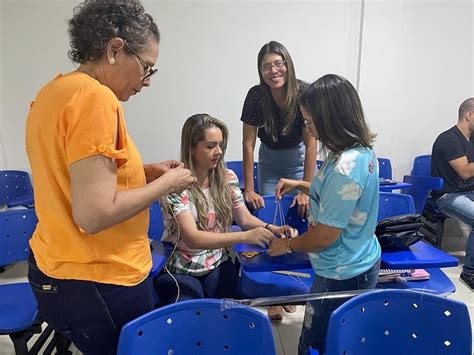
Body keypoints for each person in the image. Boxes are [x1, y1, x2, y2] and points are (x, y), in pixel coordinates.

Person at [25, 1, 195, 354]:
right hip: (96, 278)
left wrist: (145, 171)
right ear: (115, 49)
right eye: (146, 67)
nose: (146, 82)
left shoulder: (53, 92)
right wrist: (165, 185)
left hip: (58, 267)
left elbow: (71, 175)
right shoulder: (96, 99)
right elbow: (94, 214)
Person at [268, 74, 381, 354]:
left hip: (343, 271)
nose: (309, 129)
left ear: (331, 118)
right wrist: (300, 184)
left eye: (310, 122)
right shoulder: (357, 152)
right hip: (353, 260)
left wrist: (288, 245)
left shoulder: (346, 167)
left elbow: (325, 235)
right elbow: (338, 196)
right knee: (340, 337)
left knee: (315, 343)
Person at [154, 114, 296, 306]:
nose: (219, 151)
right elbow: (193, 239)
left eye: (221, 145)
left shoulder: (227, 177)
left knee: (226, 307)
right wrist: (244, 237)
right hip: (180, 268)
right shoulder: (174, 184)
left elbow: (244, 219)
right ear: (192, 148)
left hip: (217, 262)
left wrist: (272, 228)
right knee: (191, 308)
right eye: (210, 146)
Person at [241, 40, 317, 320]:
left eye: (278, 63)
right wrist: (249, 188)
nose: (273, 70)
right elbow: (248, 144)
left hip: (298, 157)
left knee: (299, 219)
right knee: (273, 222)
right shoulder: (256, 96)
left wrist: (306, 189)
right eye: (266, 66)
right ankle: (273, 291)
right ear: (260, 71)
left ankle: (293, 286)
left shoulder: (305, 91)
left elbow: (311, 144)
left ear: (287, 63)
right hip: (270, 159)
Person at [431, 97, 474, 291]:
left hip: (469, 193)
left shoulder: (471, 140)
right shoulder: (448, 139)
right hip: (446, 196)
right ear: (469, 115)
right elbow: (465, 171)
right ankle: (470, 272)